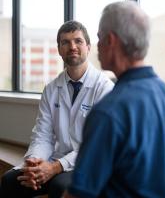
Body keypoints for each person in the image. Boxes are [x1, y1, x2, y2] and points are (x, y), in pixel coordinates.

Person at [64, 0, 165, 198]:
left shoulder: (108, 112)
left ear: (111, 41)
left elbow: (79, 194)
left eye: (99, 38)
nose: (97, 46)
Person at [0, 20, 114, 198]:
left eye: (78, 41)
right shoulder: (52, 88)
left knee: (60, 186)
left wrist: (55, 167)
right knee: (11, 180)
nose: (72, 47)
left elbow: (96, 145)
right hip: (55, 159)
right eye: (65, 42)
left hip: (89, 163)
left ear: (89, 47)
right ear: (59, 49)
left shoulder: (104, 88)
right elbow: (43, 134)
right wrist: (35, 162)